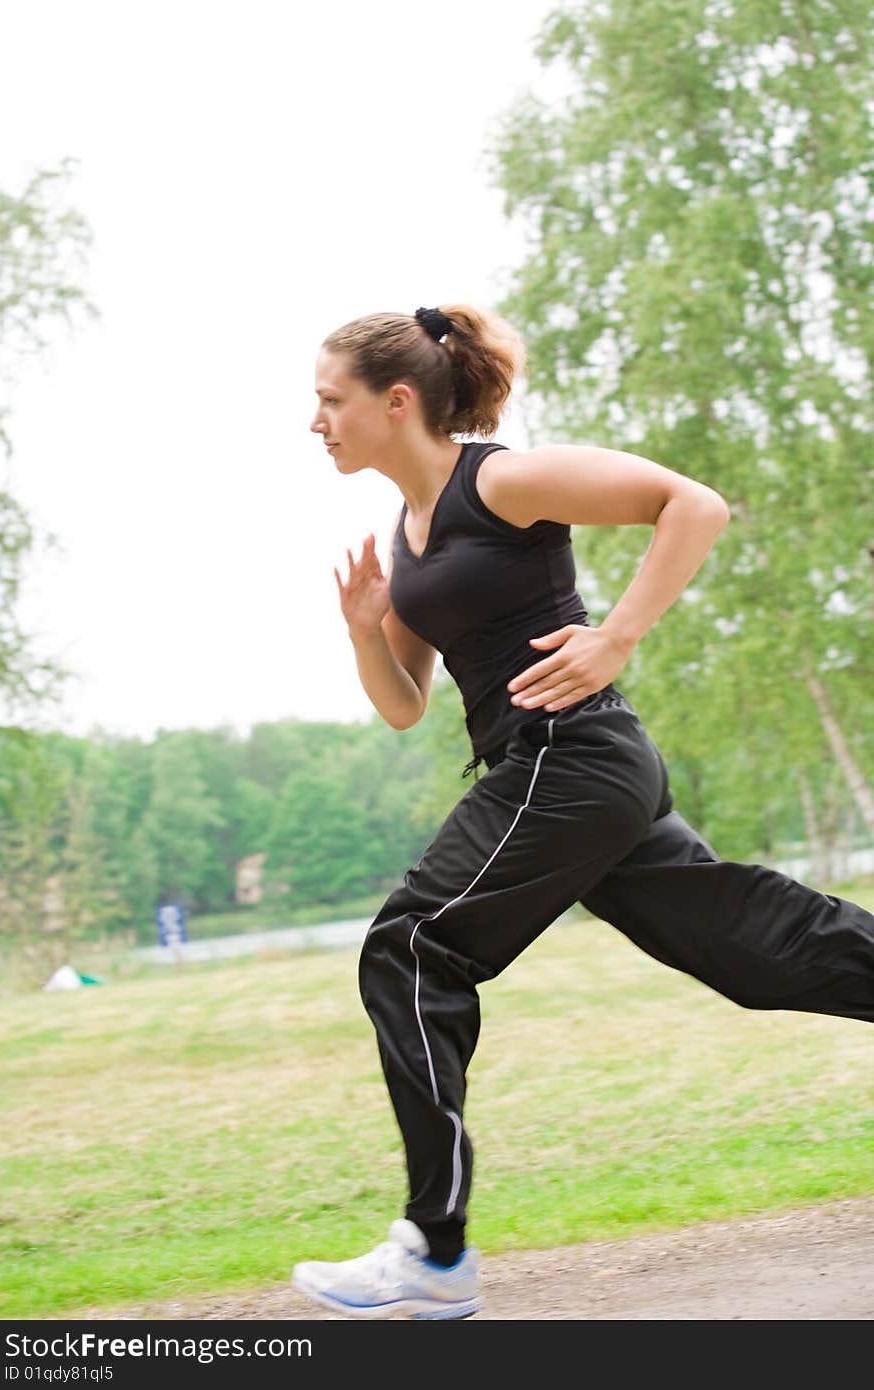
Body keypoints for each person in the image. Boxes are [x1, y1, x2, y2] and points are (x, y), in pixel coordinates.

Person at [291, 303, 874, 1320]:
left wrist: (616, 637)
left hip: (569, 757)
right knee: (748, 951)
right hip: (562, 774)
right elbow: (405, 706)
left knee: (411, 945)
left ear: (394, 402)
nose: (316, 422)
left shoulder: (500, 479)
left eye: (328, 401)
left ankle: (433, 1252)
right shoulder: (409, 532)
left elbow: (691, 504)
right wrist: (362, 632)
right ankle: (431, 1254)